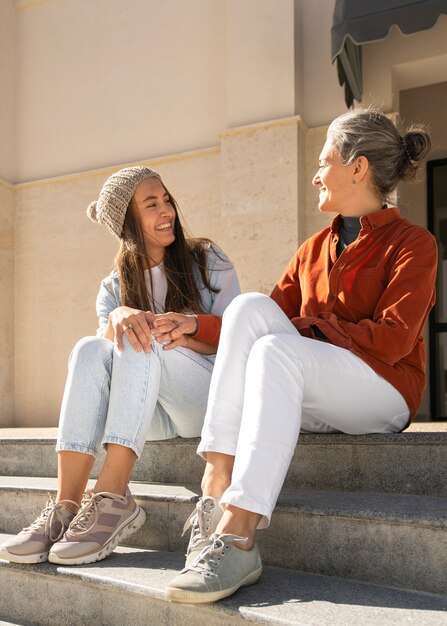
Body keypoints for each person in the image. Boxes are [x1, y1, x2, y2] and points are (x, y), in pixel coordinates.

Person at [165, 108, 438, 604]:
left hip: (385, 393)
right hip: (317, 391)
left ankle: (239, 533)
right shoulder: (313, 248)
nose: (315, 174)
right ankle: (216, 481)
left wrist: (310, 330)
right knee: (251, 308)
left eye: (324, 160)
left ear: (357, 167)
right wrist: (195, 326)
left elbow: (394, 340)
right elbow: (259, 322)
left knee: (277, 349)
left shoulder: (413, 245)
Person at [0, 166, 240, 566]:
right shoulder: (113, 287)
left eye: (166, 200)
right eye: (151, 205)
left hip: (205, 399)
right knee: (89, 348)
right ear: (127, 222)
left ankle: (112, 497)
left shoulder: (205, 258)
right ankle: (65, 507)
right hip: (149, 417)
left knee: (141, 335)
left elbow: (239, 335)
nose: (167, 211)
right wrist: (117, 318)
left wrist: (186, 335)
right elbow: (103, 367)